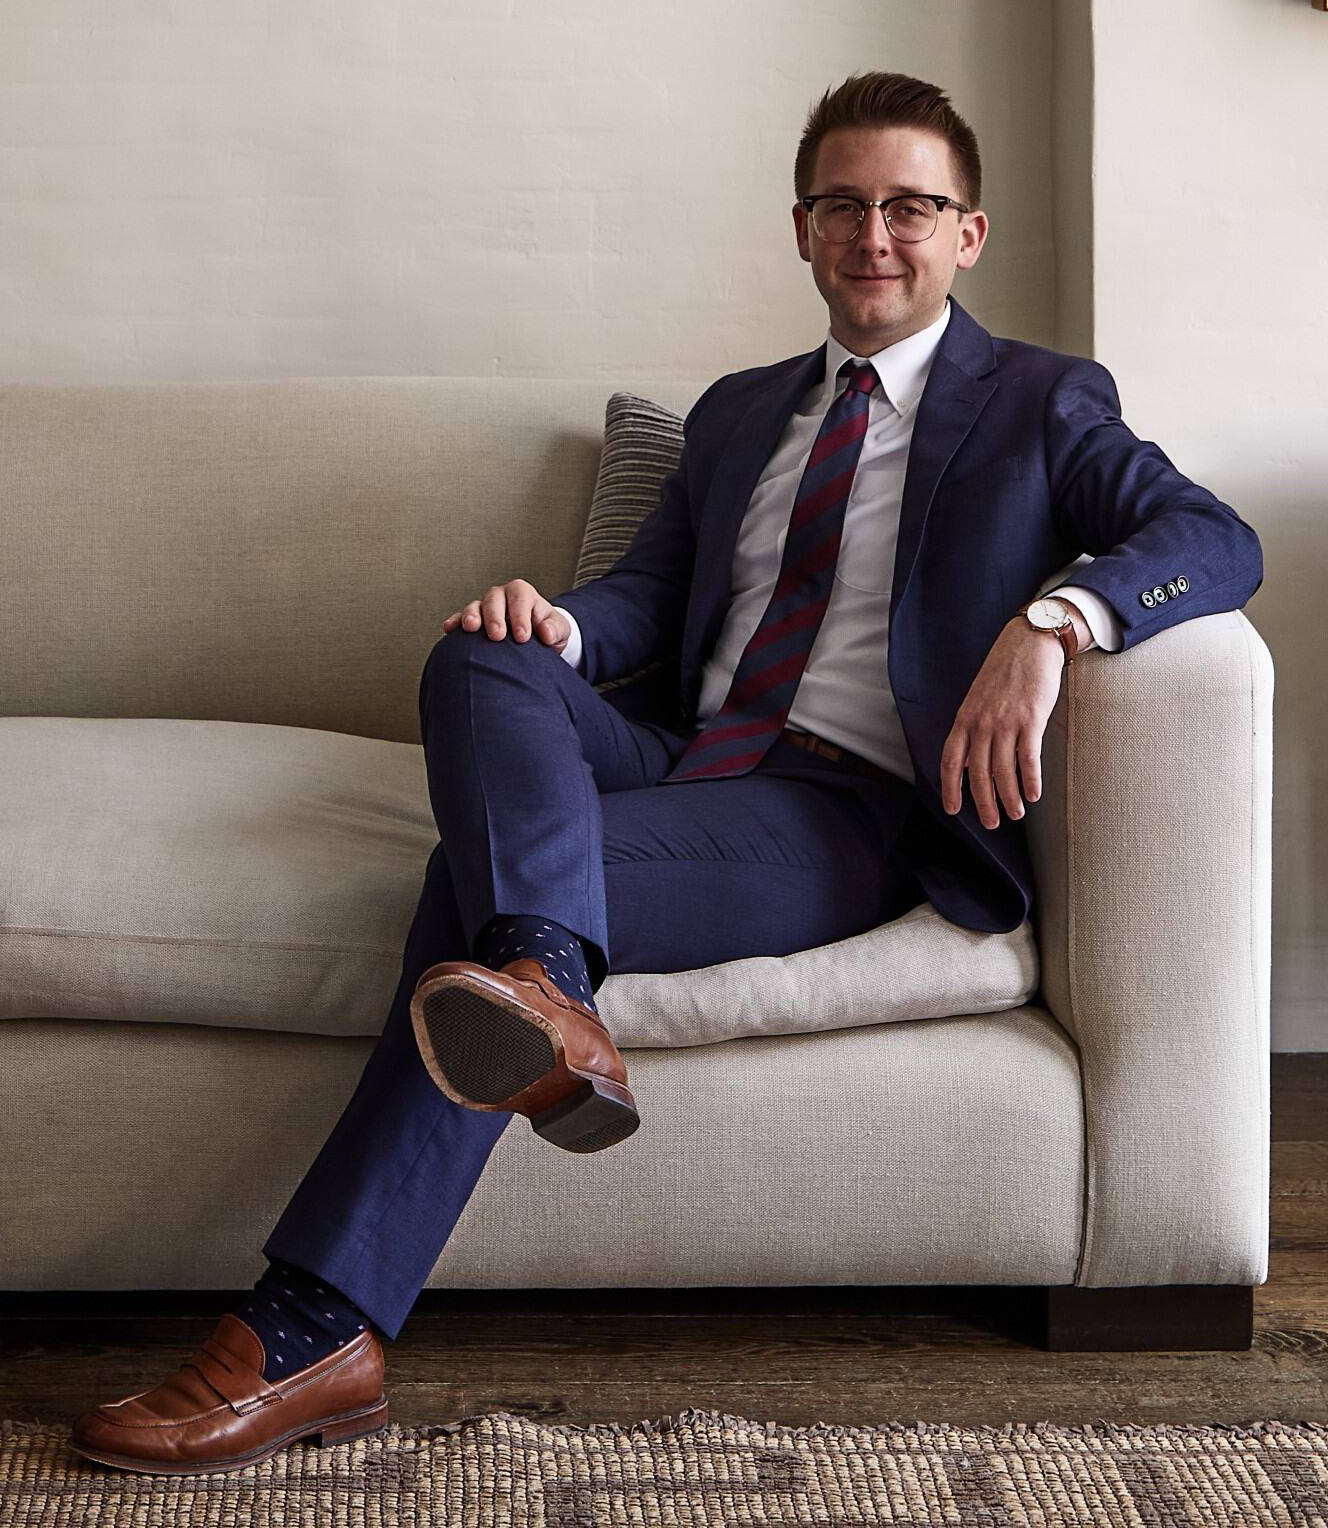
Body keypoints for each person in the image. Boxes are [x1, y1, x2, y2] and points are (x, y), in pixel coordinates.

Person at [69, 69, 1262, 1475]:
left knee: (469, 886)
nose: (873, 235)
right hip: (687, 751)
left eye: (909, 207)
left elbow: (1214, 536)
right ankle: (546, 989)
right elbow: (646, 598)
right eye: (841, 205)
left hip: (842, 810)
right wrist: (561, 624)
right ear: (801, 228)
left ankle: (312, 1321)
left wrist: (1055, 621)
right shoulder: (741, 412)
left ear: (967, 232)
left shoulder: (1044, 402)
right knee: (482, 656)